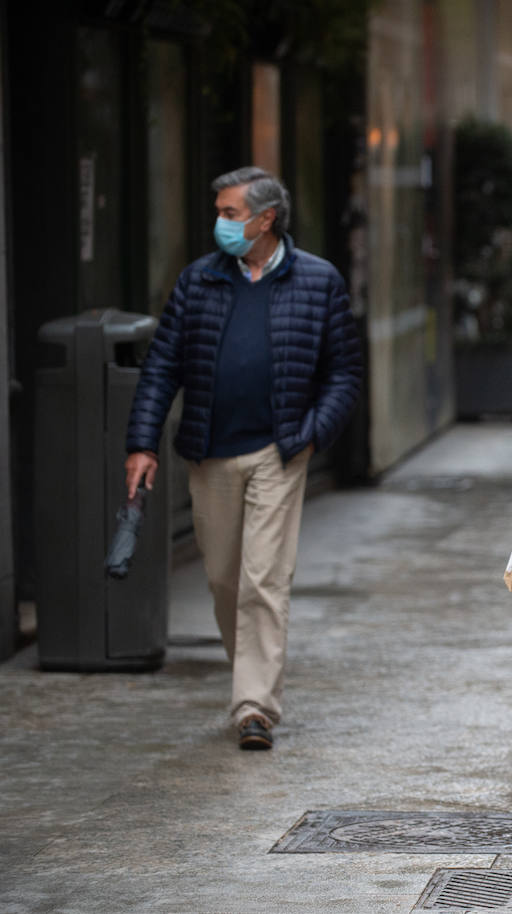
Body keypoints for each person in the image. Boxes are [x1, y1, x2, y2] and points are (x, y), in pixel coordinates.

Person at [124, 167, 363, 751]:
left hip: (278, 452)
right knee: (224, 579)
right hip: (209, 454)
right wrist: (142, 444)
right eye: (219, 212)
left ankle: (254, 706)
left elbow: (344, 373)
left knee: (264, 579)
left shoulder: (318, 280)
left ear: (265, 219)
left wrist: (313, 434)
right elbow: (161, 368)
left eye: (229, 213)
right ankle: (250, 676)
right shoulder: (198, 281)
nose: (220, 223)